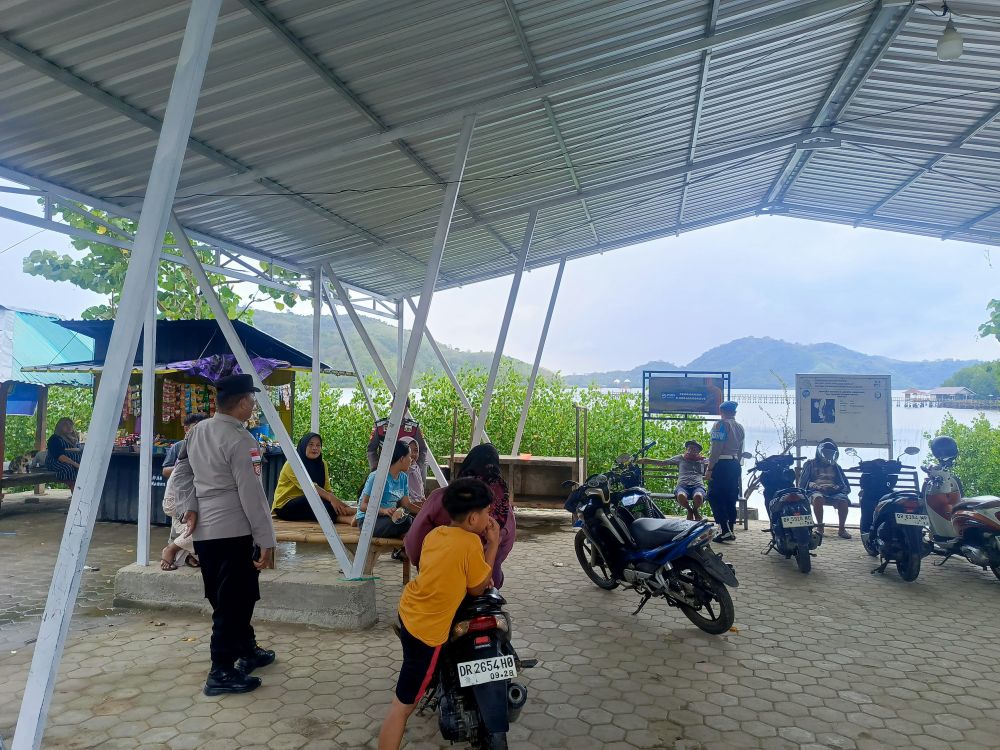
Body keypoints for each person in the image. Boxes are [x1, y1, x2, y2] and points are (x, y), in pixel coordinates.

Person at [378, 478, 500, 750]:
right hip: (427, 632)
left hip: (409, 610)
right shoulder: (470, 542)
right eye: (487, 512)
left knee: (411, 676)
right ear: (473, 518)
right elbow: (477, 587)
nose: (489, 518)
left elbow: (437, 569)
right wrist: (493, 543)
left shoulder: (435, 534)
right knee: (402, 707)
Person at [181, 374, 277, 696]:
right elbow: (253, 495)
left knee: (231, 597)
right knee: (233, 603)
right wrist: (266, 539)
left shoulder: (197, 431)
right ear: (243, 402)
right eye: (252, 399)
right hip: (234, 531)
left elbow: (183, 473)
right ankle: (220, 671)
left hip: (205, 533)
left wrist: (190, 506)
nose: (253, 405)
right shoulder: (242, 440)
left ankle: (247, 649)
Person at [404, 443, 515, 587]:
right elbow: (480, 585)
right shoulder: (504, 508)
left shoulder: (441, 499)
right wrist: (493, 546)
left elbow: (414, 543)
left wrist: (427, 569)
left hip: (435, 580)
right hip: (484, 582)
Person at [271, 433, 355, 523]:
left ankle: (349, 516)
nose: (315, 448)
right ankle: (348, 514)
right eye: (310, 445)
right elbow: (310, 487)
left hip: (310, 502)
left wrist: (335, 502)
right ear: (303, 446)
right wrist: (331, 499)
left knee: (324, 502)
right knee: (314, 500)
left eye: (318, 445)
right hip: (285, 507)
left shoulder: (322, 464)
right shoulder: (292, 464)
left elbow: (327, 489)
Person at [357, 440, 421, 539]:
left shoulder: (403, 477)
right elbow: (363, 506)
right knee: (407, 522)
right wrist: (384, 511)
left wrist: (425, 512)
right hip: (368, 520)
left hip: (389, 518)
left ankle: (405, 539)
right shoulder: (377, 476)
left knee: (417, 521)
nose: (411, 460)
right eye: (409, 457)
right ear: (402, 459)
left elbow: (406, 505)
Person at [705, 401, 745, 543]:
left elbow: (716, 448)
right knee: (730, 497)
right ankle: (730, 530)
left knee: (714, 496)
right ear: (734, 412)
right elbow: (740, 450)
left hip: (721, 465)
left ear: (721, 411)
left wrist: (710, 468)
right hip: (734, 464)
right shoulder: (740, 427)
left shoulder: (720, 425)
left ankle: (724, 529)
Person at [641, 440, 708, 520]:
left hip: (698, 485)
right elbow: (663, 463)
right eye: (689, 448)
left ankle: (695, 510)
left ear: (698, 451)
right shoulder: (680, 458)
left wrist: (708, 468)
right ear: (686, 449)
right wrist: (646, 460)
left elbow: (711, 470)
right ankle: (689, 510)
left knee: (698, 496)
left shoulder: (703, 461)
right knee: (681, 495)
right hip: (682, 485)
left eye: (694, 448)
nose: (691, 450)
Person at [799, 439, 852, 539]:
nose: (829, 455)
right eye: (826, 453)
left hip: (834, 492)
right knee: (818, 499)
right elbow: (804, 482)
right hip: (815, 490)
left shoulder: (836, 467)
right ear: (820, 452)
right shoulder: (810, 464)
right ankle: (820, 527)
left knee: (843, 501)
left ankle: (842, 529)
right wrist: (816, 486)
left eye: (831, 453)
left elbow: (843, 484)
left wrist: (837, 488)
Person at [160, 443, 199, 571]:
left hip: (184, 501)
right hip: (176, 503)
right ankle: (171, 549)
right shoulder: (190, 455)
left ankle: (186, 553)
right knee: (208, 524)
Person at [367, 398, 428, 478]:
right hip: (386, 473)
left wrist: (416, 469)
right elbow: (371, 450)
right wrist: (376, 468)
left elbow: (423, 449)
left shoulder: (414, 428)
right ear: (391, 405)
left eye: (404, 406)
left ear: (407, 408)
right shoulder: (380, 426)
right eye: (398, 405)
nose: (401, 408)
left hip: (408, 473)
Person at [162, 413, 208, 479]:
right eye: (196, 427)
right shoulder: (178, 446)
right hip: (184, 484)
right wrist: (183, 467)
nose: (201, 431)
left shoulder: (210, 446)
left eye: (204, 428)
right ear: (186, 429)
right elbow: (165, 472)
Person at [45, 417, 81, 491]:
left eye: (70, 424)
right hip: (56, 462)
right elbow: (60, 456)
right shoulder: (54, 439)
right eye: (65, 425)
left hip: (73, 462)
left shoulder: (74, 438)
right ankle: (74, 489)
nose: (69, 427)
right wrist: (76, 464)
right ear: (60, 427)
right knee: (68, 468)